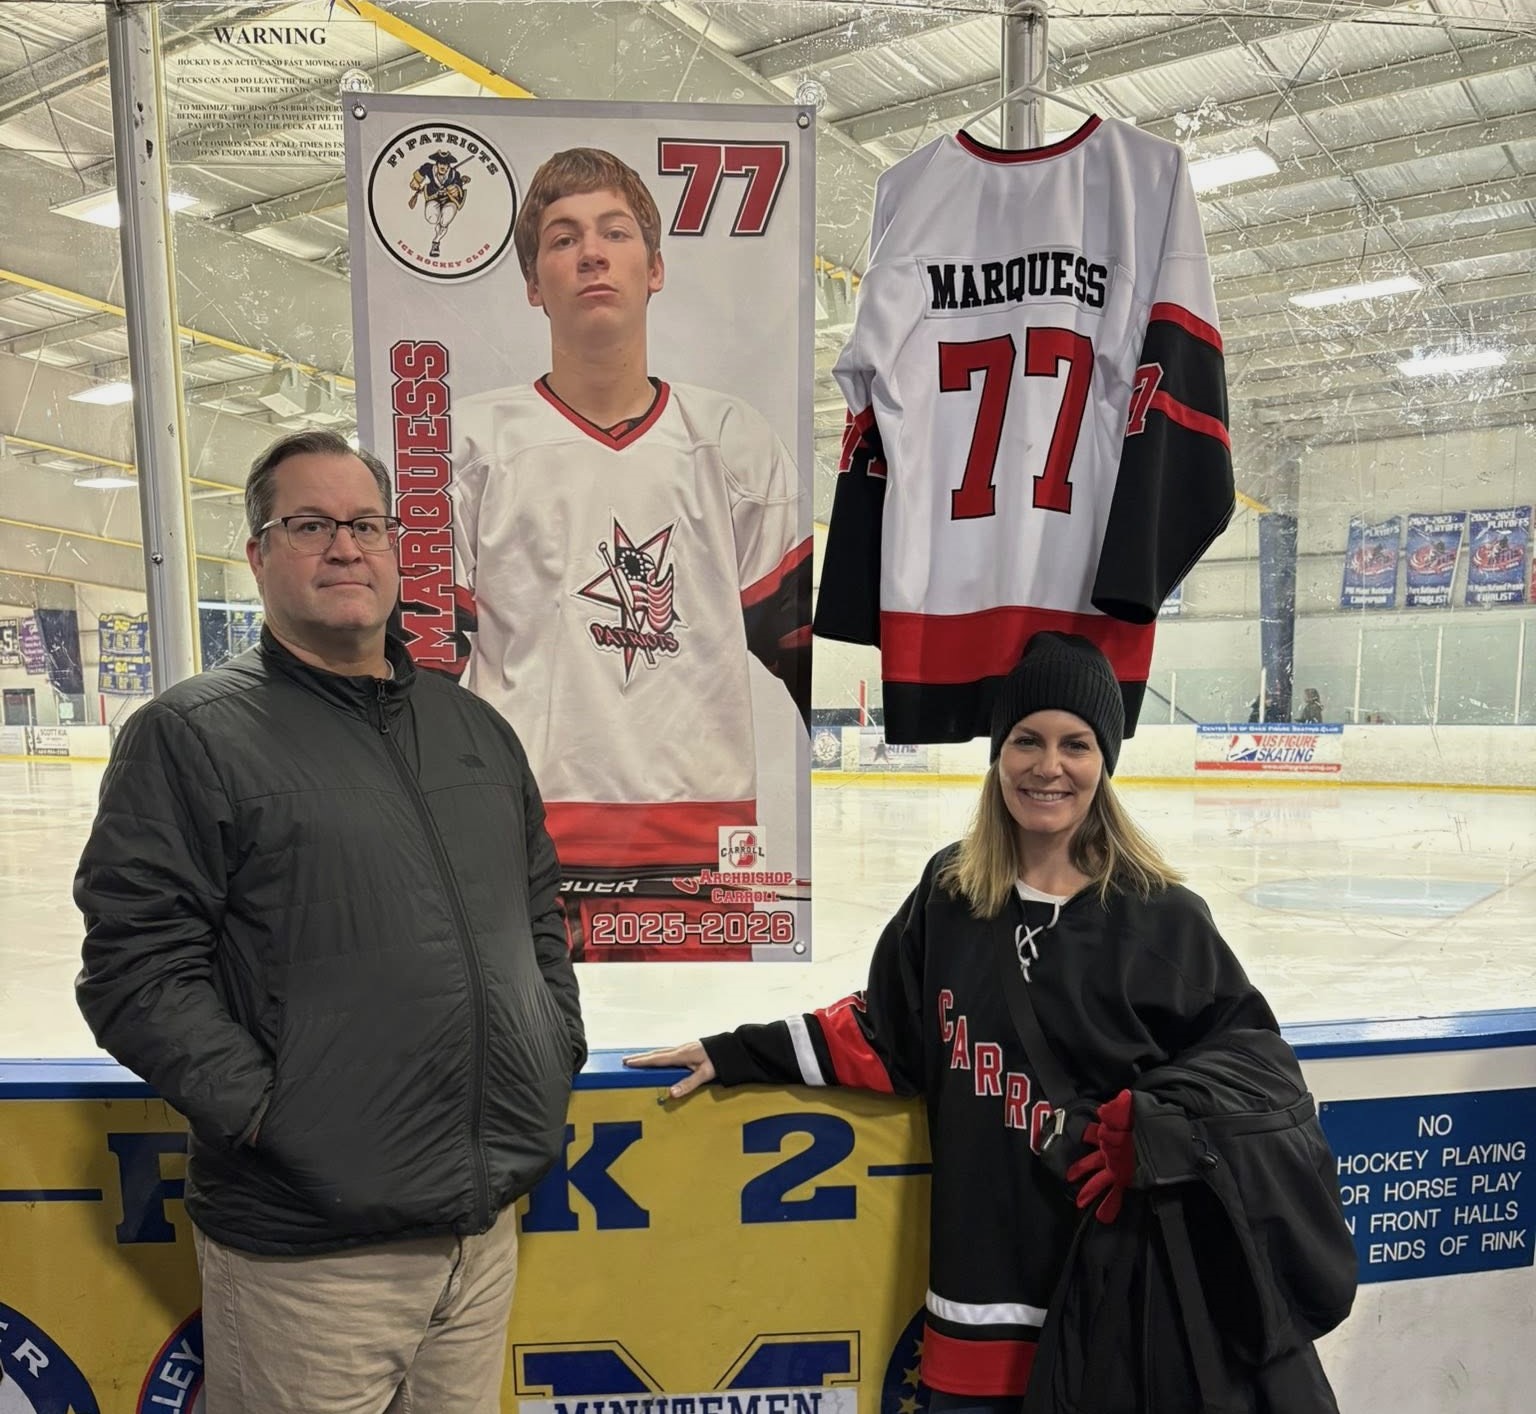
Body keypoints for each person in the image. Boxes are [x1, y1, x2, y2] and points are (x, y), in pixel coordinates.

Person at [628, 632, 1355, 1409]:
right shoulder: (951, 896)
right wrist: (735, 1054)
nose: (1048, 766)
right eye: (1027, 740)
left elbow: (1254, 1066)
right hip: (978, 1298)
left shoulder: (1162, 918)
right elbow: (889, 1033)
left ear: (1104, 761)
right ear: (998, 754)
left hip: (1115, 1297)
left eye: (1075, 744)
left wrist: (1156, 1127)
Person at [74, 429, 585, 1414]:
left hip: (479, 1230)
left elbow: (536, 917)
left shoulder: (475, 730)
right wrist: (279, 1117)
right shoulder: (190, 736)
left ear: (396, 549)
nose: (346, 546)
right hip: (309, 1255)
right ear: (259, 555)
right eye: (309, 525)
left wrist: (553, 1046)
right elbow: (135, 970)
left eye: (366, 524)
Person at [447, 147, 811, 959]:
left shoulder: (731, 439)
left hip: (703, 843)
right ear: (533, 285)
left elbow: (800, 641)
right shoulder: (469, 443)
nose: (592, 253)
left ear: (655, 269)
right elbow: (425, 672)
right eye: (563, 238)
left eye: (615, 232)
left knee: (694, 1043)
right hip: (523, 839)